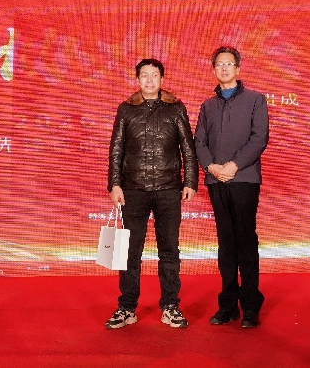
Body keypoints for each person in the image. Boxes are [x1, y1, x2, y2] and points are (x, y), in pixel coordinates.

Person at [105, 58, 198, 329]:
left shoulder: (175, 108)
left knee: (169, 251)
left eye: (154, 75)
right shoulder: (126, 109)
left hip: (169, 189)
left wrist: (190, 182)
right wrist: (115, 184)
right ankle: (126, 307)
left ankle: (170, 306)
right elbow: (116, 149)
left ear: (161, 79)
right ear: (137, 80)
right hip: (133, 189)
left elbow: (188, 148)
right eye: (144, 75)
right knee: (130, 252)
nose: (149, 80)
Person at [194, 46, 269, 328]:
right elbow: (199, 141)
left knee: (245, 241)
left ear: (238, 68)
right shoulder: (207, 106)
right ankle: (227, 305)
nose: (224, 68)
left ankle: (250, 306)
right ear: (214, 70)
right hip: (216, 179)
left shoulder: (256, 100)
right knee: (225, 243)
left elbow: (259, 138)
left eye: (228, 64)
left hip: (244, 179)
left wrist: (234, 165)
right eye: (219, 64)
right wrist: (211, 167)